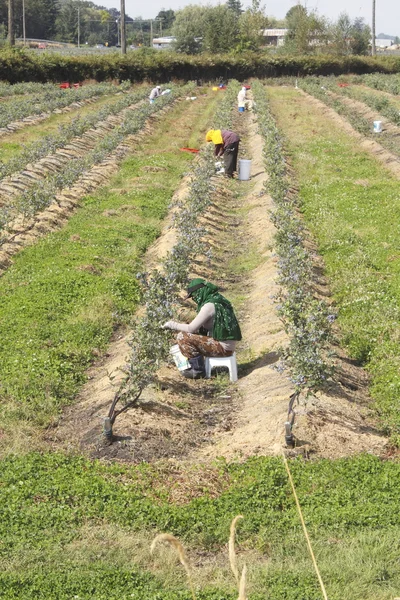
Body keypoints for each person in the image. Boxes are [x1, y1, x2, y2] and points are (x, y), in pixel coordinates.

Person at [163, 278, 242, 379]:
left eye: (194, 296)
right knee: (190, 334)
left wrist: (172, 325)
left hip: (223, 348)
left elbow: (191, 328)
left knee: (183, 337)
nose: (194, 299)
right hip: (228, 346)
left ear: (200, 291)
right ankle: (200, 366)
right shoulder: (218, 299)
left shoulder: (209, 306)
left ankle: (198, 370)